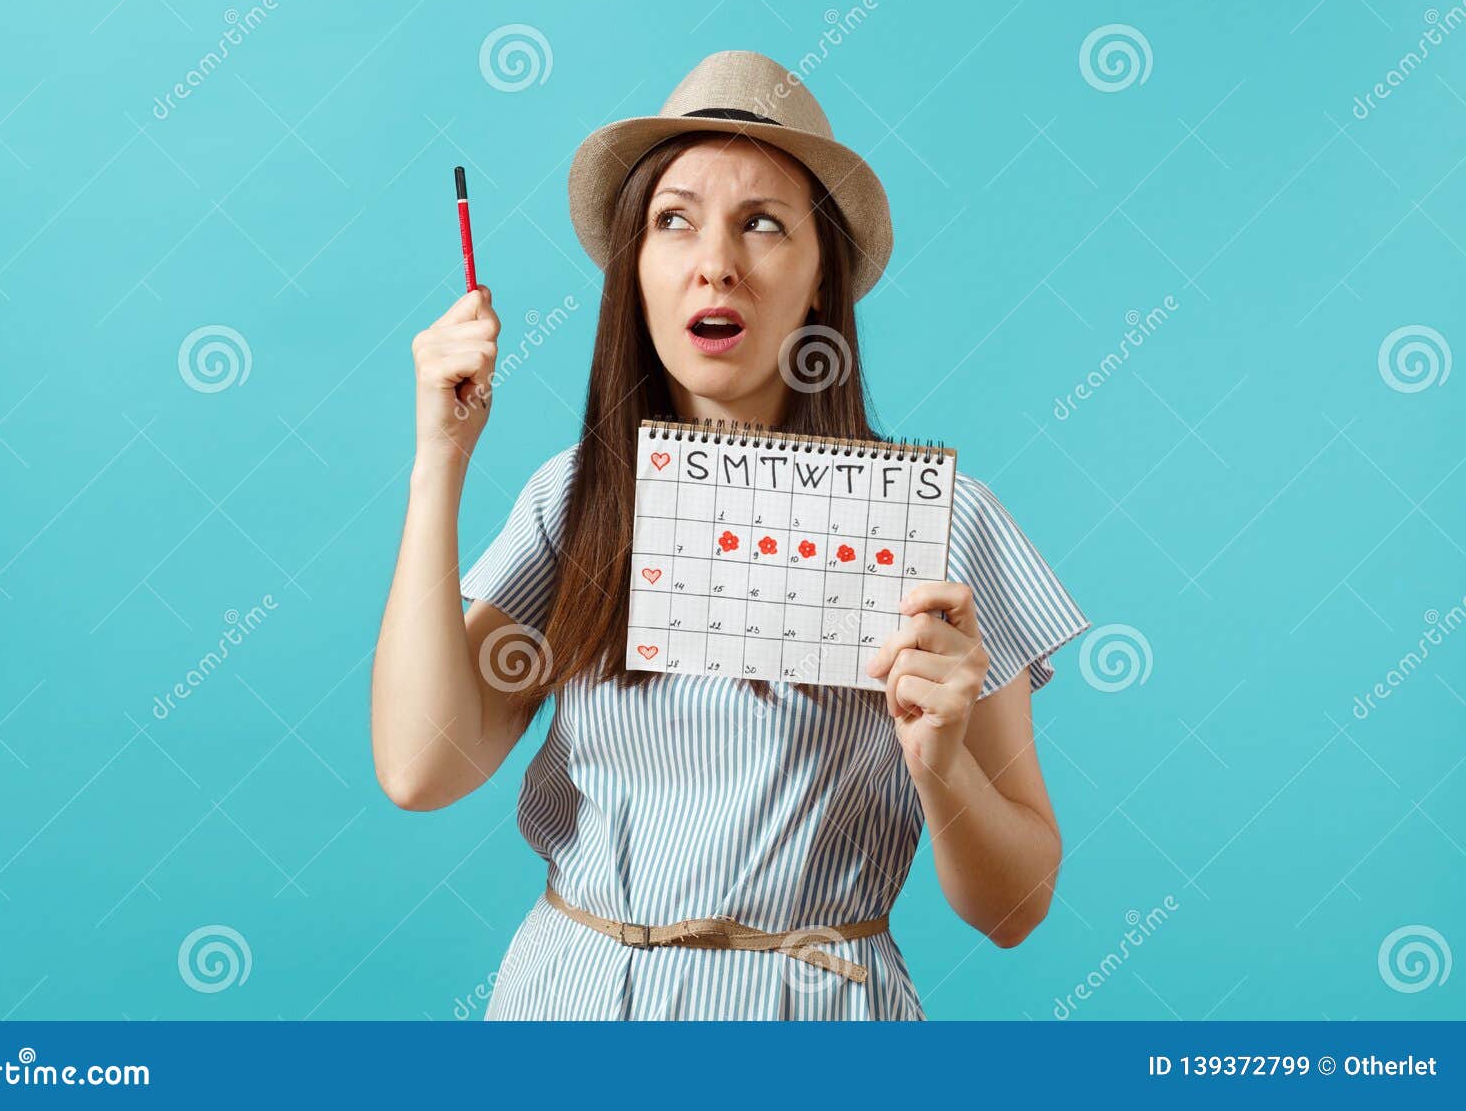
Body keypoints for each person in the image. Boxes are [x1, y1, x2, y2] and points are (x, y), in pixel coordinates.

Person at [371, 50, 1091, 1019]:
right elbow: (422, 766)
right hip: (575, 1004)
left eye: (762, 222)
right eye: (674, 220)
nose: (715, 260)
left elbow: (1015, 906)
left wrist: (942, 760)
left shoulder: (945, 525)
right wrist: (437, 462)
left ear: (821, 283)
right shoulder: (576, 500)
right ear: (635, 271)